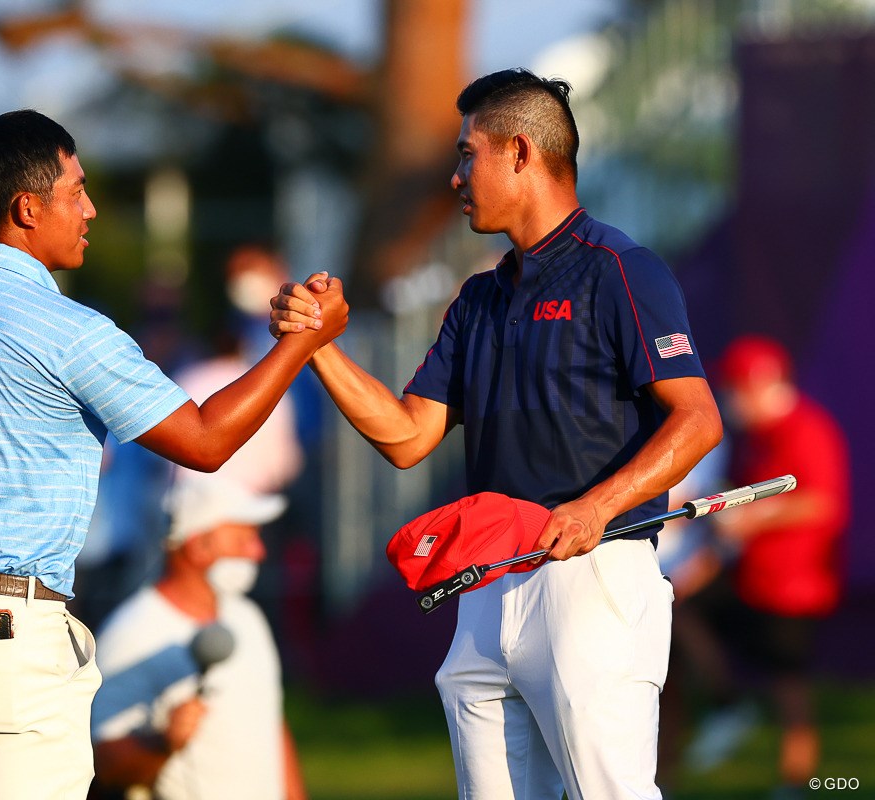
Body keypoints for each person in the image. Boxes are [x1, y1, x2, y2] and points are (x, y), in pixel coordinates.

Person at [0, 109, 346, 800]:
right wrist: (302, 343)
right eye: (76, 191)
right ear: (27, 208)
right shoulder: (71, 329)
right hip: (7, 632)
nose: (91, 209)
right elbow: (205, 442)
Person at [271, 68, 722, 799]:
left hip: (594, 576)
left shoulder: (622, 270)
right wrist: (317, 346)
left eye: (466, 154)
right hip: (488, 583)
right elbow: (408, 437)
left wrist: (596, 507)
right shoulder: (478, 296)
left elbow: (698, 419)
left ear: (519, 152)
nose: (454, 177)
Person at [684, 335, 849, 797]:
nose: (729, 400)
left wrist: (757, 517)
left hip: (793, 585)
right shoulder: (755, 438)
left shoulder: (807, 429)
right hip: (750, 576)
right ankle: (727, 705)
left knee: (789, 685)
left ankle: (795, 783)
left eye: (735, 389)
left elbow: (824, 504)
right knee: (682, 611)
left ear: (759, 386)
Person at [90, 475, 307, 800]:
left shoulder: (248, 618)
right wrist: (163, 742)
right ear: (198, 545)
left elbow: (270, 723)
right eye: (244, 537)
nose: (259, 551)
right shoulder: (132, 634)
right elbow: (103, 764)